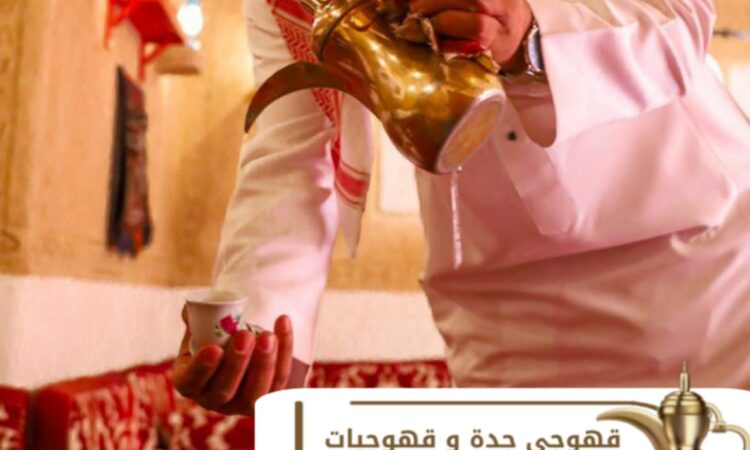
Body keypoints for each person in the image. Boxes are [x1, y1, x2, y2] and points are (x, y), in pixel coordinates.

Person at [172, 0, 750, 416]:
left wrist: (528, 38)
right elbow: (296, 147)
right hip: (498, 317)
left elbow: (680, 19)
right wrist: (261, 334)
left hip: (702, 274)